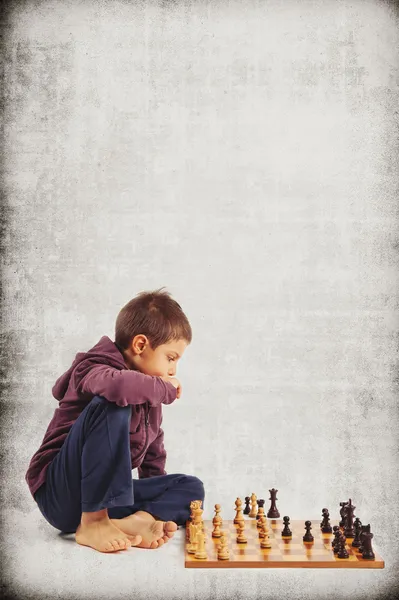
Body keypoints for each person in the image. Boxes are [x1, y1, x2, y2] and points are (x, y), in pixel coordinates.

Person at [25, 288, 205, 554]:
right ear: (140, 345)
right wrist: (165, 389)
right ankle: (94, 523)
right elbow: (117, 387)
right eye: (171, 358)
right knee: (113, 403)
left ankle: (135, 521)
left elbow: (154, 458)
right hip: (60, 494)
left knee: (191, 487)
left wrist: (155, 501)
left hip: (105, 498)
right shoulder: (94, 368)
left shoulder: (147, 399)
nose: (173, 371)